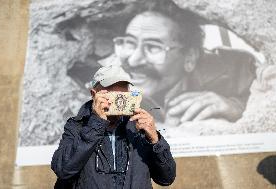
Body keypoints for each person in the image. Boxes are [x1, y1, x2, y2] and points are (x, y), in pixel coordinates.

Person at [109, 0, 256, 128]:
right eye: (130, 43)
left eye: (153, 47)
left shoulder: (238, 69)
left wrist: (238, 109)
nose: (133, 60)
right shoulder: (107, 82)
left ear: (189, 58)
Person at [51, 65, 176, 189]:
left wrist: (155, 140)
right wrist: (96, 123)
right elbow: (62, 169)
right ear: (94, 94)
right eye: (112, 93)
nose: (118, 100)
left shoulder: (139, 127)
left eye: (123, 94)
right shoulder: (77, 125)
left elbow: (166, 178)